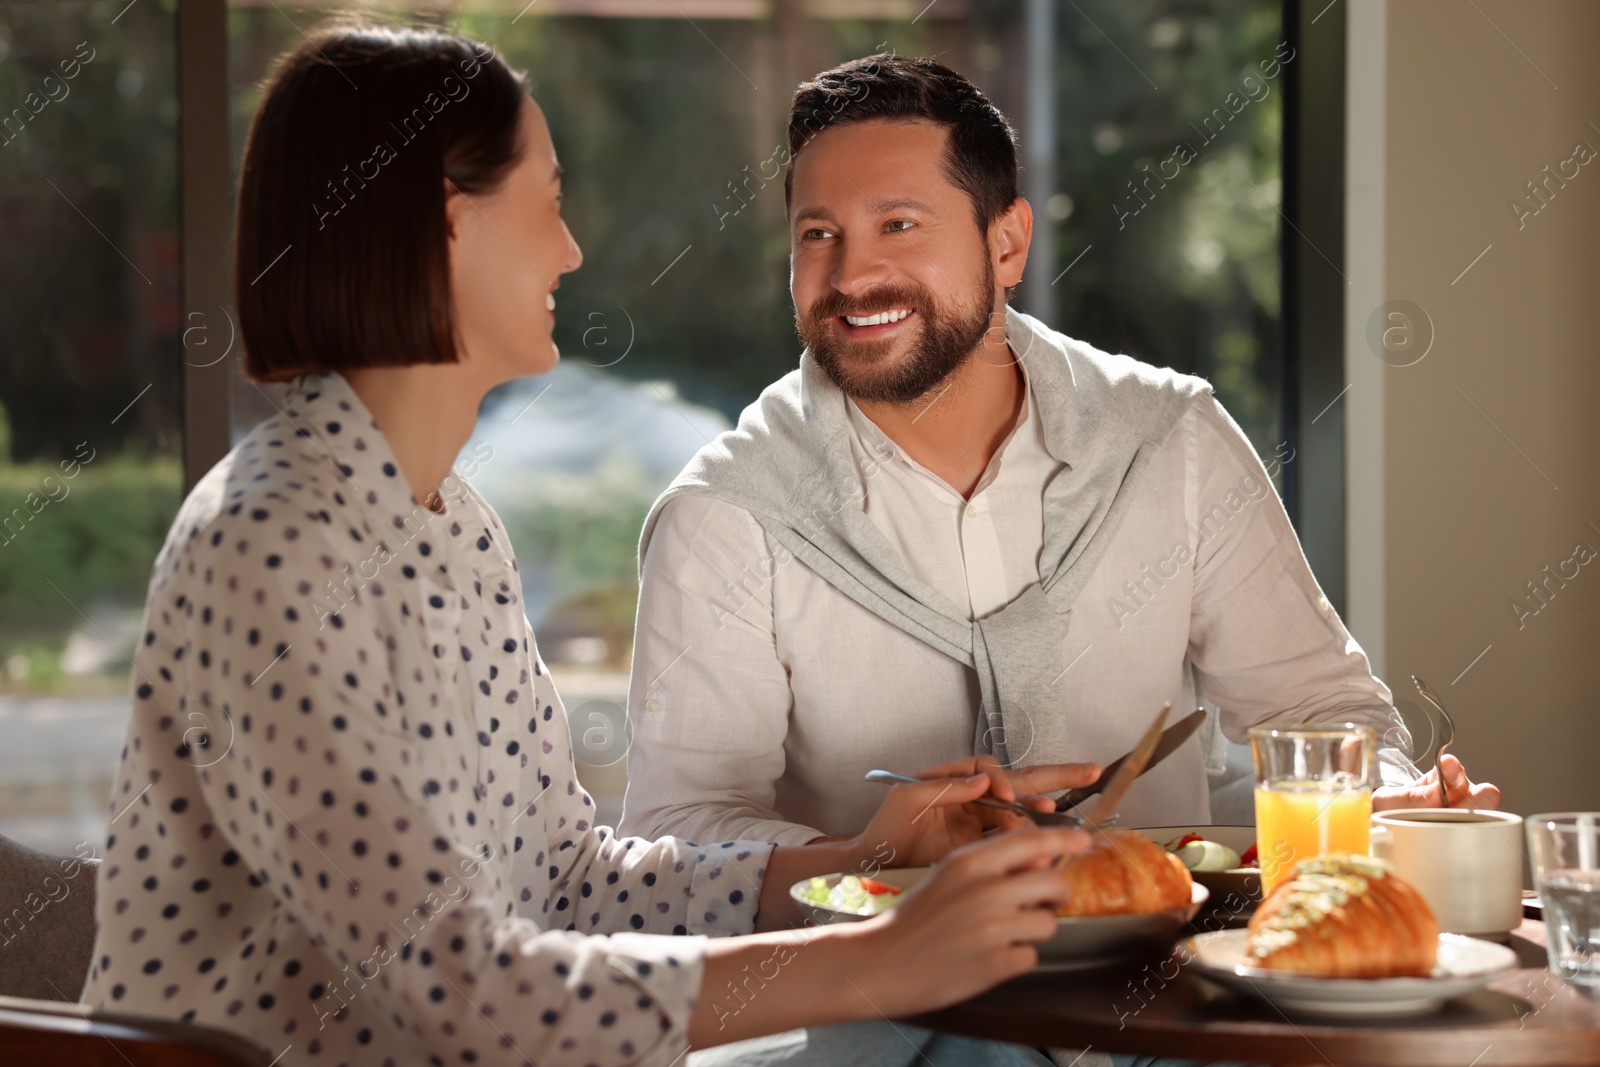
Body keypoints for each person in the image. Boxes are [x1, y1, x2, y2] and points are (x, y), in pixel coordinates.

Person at [81, 26, 1102, 1067]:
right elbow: (462, 992)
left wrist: (864, 856)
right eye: (550, 202)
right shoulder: (272, 543)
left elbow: (569, 881)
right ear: (449, 225)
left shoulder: (451, 525)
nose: (569, 250)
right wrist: (883, 957)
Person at [620, 54, 1500, 848]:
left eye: (898, 225)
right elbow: (678, 829)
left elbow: (1318, 711)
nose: (851, 276)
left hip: (1170, 980)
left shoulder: (1172, 441)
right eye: (819, 234)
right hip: (880, 997)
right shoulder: (724, 517)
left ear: (1006, 243)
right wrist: (874, 858)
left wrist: (1382, 799)